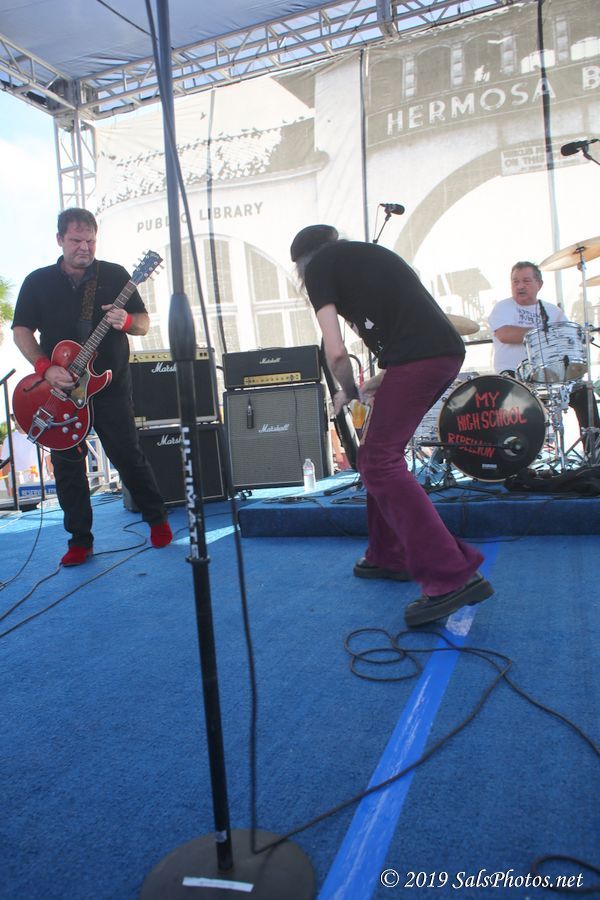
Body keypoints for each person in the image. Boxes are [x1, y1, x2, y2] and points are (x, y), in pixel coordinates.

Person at [290, 224, 494, 628]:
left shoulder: (319, 268)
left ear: (301, 264)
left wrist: (349, 391)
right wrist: (376, 382)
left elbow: (335, 353)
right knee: (375, 457)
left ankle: (451, 575)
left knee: (379, 461)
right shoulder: (369, 258)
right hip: (441, 353)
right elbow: (412, 334)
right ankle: (388, 554)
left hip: (422, 358)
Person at [11, 208, 172, 565]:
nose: (84, 247)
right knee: (68, 466)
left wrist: (126, 320)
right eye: (76, 240)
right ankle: (79, 540)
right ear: (59, 239)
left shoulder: (115, 275)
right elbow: (21, 330)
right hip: (60, 389)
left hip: (109, 387)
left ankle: (157, 520)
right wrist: (44, 367)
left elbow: (143, 324)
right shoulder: (38, 281)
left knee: (128, 455)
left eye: (90, 241)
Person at [488, 261, 599, 440]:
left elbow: (567, 340)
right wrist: (544, 333)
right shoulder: (503, 307)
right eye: (515, 282)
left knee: (584, 392)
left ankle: (594, 449)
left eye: (526, 281)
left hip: (552, 378)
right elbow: (505, 334)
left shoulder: (553, 311)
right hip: (514, 378)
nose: (520, 286)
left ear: (539, 284)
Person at [0, 415, 52, 497]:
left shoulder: (40, 435)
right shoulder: (9, 439)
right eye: (14, 419)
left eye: (17, 418)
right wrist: (9, 488)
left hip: (43, 484)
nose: (15, 421)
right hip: (21, 488)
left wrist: (52, 480)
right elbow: (6, 467)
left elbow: (49, 461)